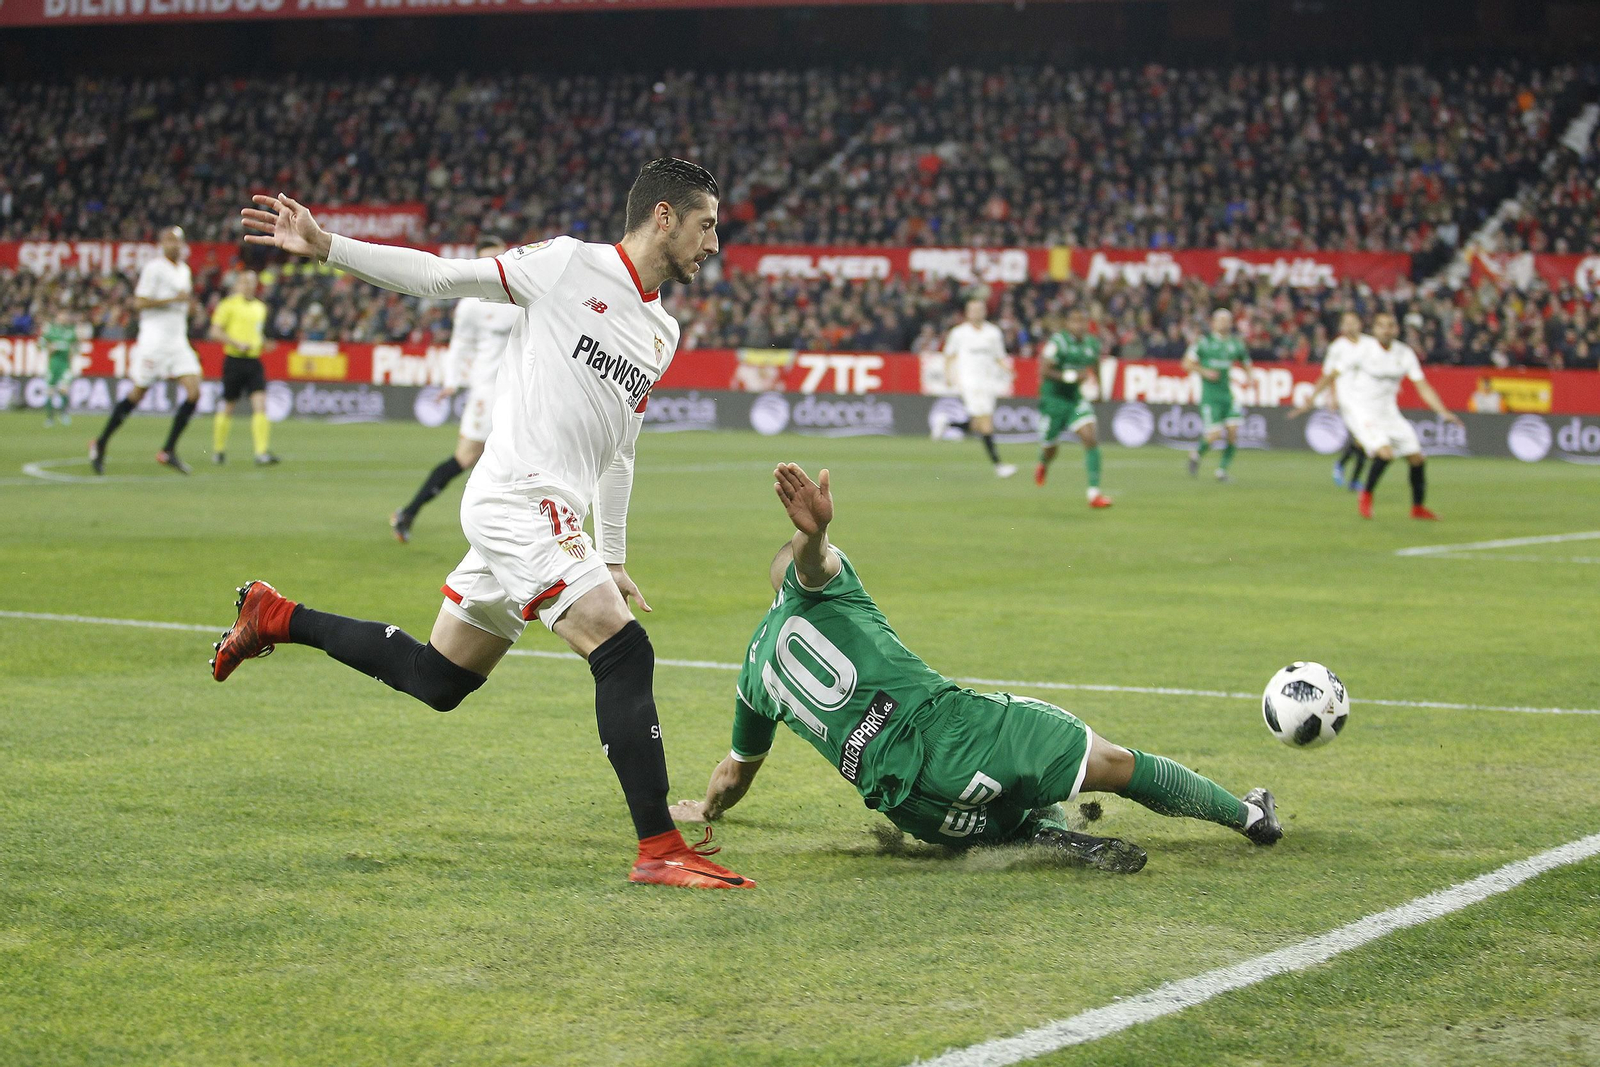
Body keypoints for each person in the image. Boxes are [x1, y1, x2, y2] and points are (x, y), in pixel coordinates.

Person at [215, 159, 754, 890]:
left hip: (553, 513)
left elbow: (620, 451)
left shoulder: (661, 330)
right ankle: (658, 846)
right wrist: (328, 245)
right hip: (516, 498)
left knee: (438, 678)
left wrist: (615, 556)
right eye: (706, 225)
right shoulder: (567, 265)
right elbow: (441, 276)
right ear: (664, 215)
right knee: (623, 651)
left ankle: (275, 616)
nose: (714, 244)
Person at [670, 463, 1283, 872]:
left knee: (1005, 810)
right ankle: (1250, 816)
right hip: (949, 730)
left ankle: (1034, 833)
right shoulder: (826, 587)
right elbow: (813, 563)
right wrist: (817, 533)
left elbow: (734, 773)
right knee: (1112, 764)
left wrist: (706, 809)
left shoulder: (754, 673)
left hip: (913, 808)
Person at [391, 235, 518, 542]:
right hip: (487, 392)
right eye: (487, 259)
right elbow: (460, 346)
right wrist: (451, 381)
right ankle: (408, 513)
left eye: (497, 257)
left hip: (519, 392)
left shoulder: (519, 295)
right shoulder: (471, 305)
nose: (493, 265)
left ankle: (515, 529)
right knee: (465, 457)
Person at [1293, 312, 1463, 520]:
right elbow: (1332, 375)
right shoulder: (1363, 350)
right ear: (1374, 330)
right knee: (1385, 453)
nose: (1386, 329)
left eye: (1390, 325)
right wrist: (1311, 399)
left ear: (1396, 329)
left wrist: (1442, 411)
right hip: (1361, 409)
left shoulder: (1404, 353)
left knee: (1417, 458)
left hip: (1389, 412)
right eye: (1381, 326)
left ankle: (1418, 508)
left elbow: (1422, 386)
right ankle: (1365, 495)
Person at [90, 226, 202, 474]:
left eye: (177, 241)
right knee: (138, 393)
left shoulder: (184, 270)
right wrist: (173, 300)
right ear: (162, 243)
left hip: (178, 341)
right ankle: (100, 443)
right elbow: (139, 302)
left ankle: (168, 450)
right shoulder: (154, 269)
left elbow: (184, 304)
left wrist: (190, 309)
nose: (173, 245)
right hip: (154, 341)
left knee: (194, 392)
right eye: (168, 240)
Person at [1034, 308, 1111, 507]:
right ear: (1067, 324)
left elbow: (1095, 365)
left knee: (1090, 437)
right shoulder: (1058, 343)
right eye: (1074, 322)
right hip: (1053, 400)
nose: (1079, 326)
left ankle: (1094, 494)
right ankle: (1043, 462)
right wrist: (1071, 377)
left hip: (1075, 399)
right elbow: (1044, 370)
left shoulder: (1092, 343)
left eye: (1082, 322)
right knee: (1051, 448)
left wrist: (1100, 390)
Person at [933, 297, 1016, 479]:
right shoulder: (959, 333)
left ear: (985, 312)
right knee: (986, 423)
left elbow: (999, 356)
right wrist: (948, 376)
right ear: (967, 313)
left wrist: (1008, 370)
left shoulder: (993, 333)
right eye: (973, 310)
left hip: (989, 382)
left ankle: (948, 423)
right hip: (970, 382)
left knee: (979, 424)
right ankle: (999, 465)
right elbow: (949, 355)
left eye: (980, 309)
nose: (977, 313)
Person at [209, 268, 279, 466]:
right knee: (228, 405)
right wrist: (235, 342)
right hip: (234, 360)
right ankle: (219, 450)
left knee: (261, 404)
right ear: (238, 284)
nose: (248, 286)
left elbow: (257, 334)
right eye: (245, 282)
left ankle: (261, 452)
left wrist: (265, 343)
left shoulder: (260, 308)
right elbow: (215, 332)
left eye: (252, 282)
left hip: (254, 361)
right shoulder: (228, 305)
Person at [1183, 308, 1250, 481]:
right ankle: (1196, 454)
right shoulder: (1203, 342)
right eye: (1220, 320)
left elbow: (1245, 361)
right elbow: (1186, 364)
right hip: (1210, 397)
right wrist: (1204, 372)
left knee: (1233, 432)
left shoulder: (1235, 343)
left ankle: (1222, 471)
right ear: (1213, 323)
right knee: (1214, 435)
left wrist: (1250, 377)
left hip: (1227, 395)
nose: (1223, 323)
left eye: (1227, 320)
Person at [1323, 311, 1369, 491]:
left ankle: (1343, 465)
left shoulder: (1369, 344)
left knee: (1364, 440)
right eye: (1346, 323)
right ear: (1342, 326)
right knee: (1363, 438)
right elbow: (1329, 374)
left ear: (1360, 324)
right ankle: (1354, 480)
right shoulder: (1337, 347)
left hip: (1367, 397)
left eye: (1353, 322)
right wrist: (1332, 395)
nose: (1350, 326)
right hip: (1347, 398)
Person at [40, 306, 80, 427]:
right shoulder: (51, 330)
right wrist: (49, 347)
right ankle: (50, 418)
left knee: (64, 390)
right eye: (62, 315)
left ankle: (63, 414)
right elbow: (41, 343)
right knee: (50, 391)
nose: (64, 318)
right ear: (58, 316)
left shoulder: (71, 331)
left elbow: (76, 346)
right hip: (53, 364)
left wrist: (73, 354)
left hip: (65, 365)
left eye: (66, 315)